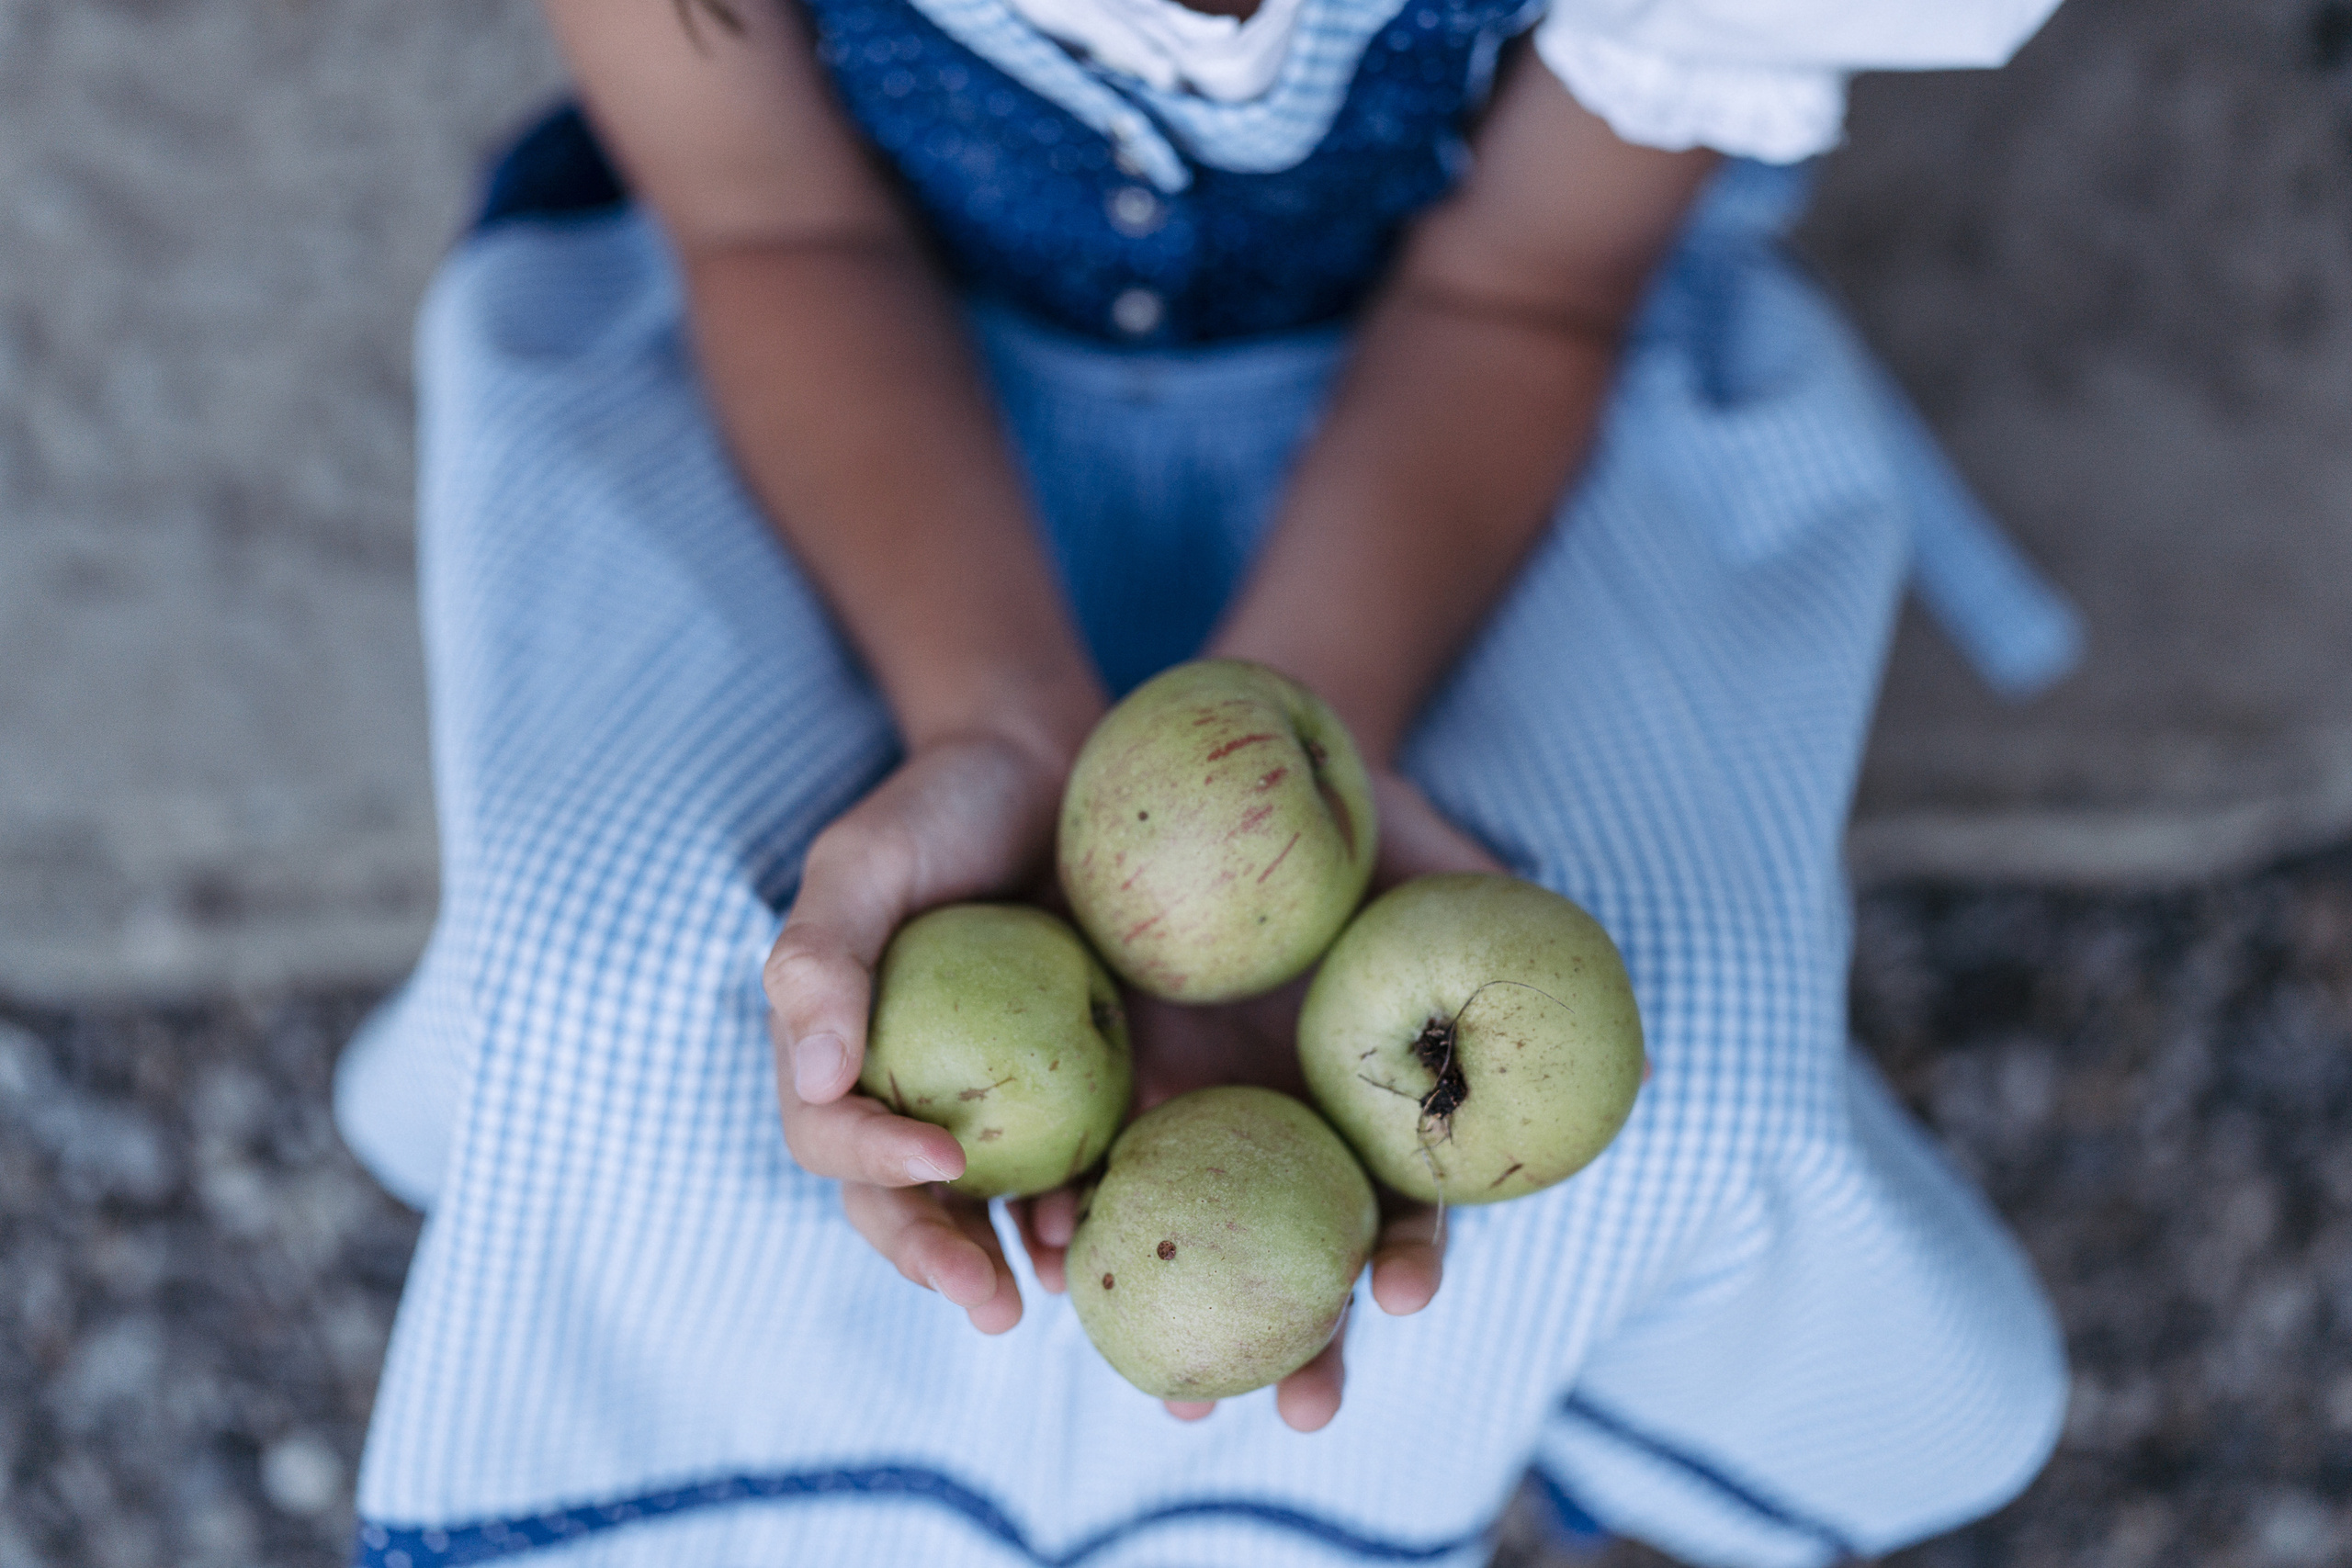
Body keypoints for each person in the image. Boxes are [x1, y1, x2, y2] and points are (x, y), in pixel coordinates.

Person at [334, 0, 2080, 1560]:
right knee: (606, 974)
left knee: (1705, 1065)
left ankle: (1546, 1432)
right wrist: (992, 718)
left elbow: (1523, 287)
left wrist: (1314, 711)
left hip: (1446, 406)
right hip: (865, 370)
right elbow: (773, 224)